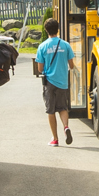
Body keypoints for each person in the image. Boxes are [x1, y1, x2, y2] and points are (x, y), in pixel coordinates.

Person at [35, 18, 75, 146]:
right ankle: (66, 127)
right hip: (63, 82)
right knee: (63, 108)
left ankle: (55, 138)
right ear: (58, 29)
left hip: (49, 82)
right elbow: (72, 65)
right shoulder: (65, 45)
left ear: (46, 30)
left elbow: (40, 68)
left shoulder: (42, 46)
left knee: (50, 110)